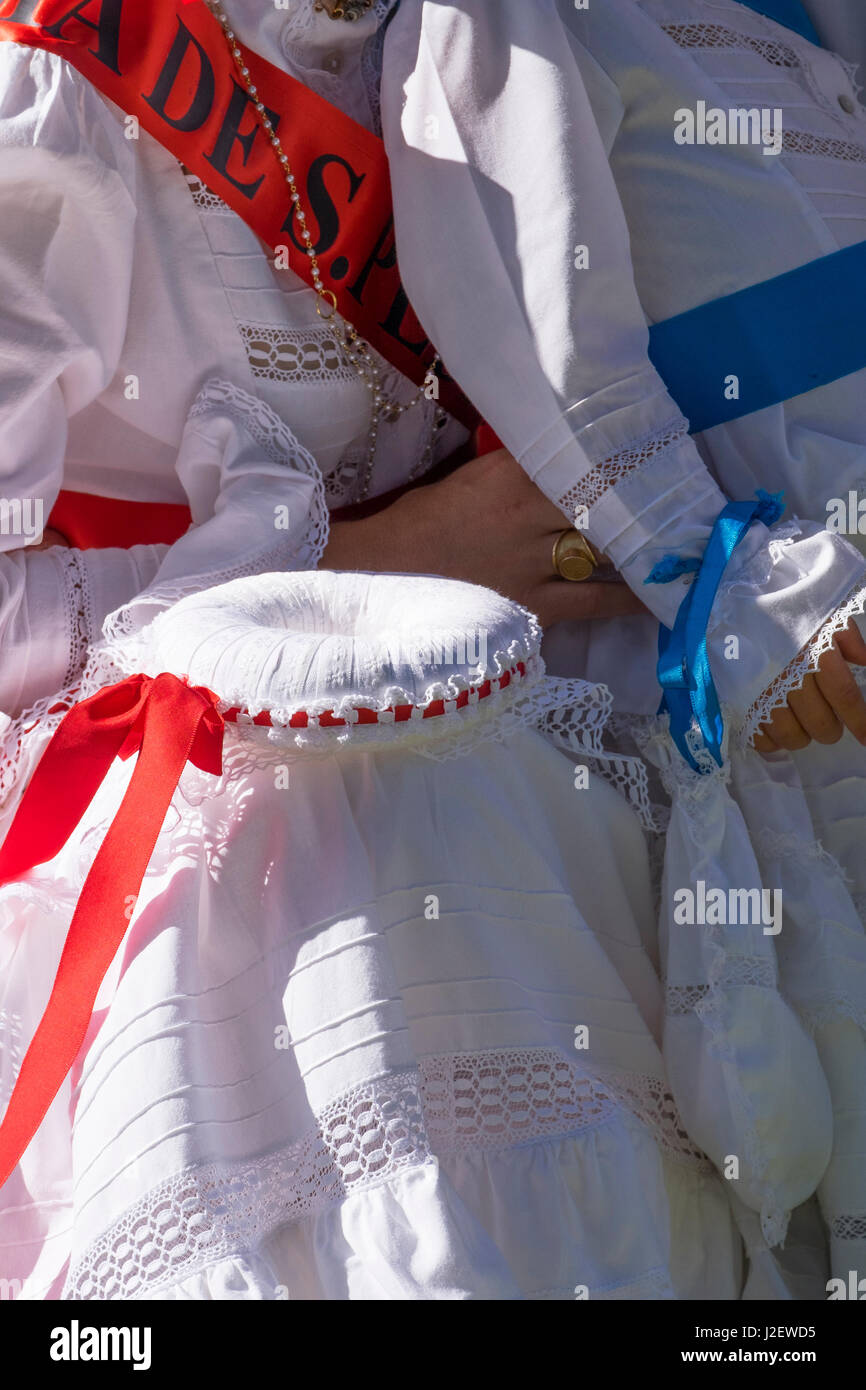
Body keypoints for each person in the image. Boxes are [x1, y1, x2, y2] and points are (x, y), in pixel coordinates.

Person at [0, 0, 862, 1298]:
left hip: (552, 796)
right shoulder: (53, 87)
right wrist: (369, 569)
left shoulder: (499, 38)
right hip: (226, 874)